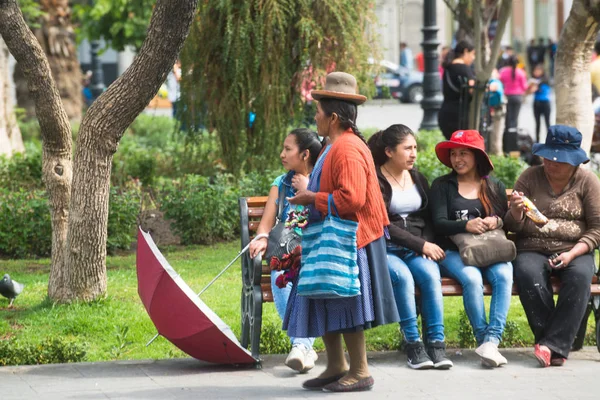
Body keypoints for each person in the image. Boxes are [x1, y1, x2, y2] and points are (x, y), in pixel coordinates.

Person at [284, 72, 399, 392]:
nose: (315, 117)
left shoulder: (347, 148)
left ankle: (360, 370)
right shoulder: (335, 144)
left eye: (318, 112)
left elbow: (352, 199)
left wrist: (311, 197)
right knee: (326, 298)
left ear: (334, 117)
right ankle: (336, 365)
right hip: (337, 236)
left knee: (344, 302)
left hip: (351, 239)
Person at [504, 125, 600, 368]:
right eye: (548, 157)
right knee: (527, 274)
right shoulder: (529, 177)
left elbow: (597, 228)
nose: (551, 163)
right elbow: (512, 227)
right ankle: (553, 346)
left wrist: (573, 253)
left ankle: (549, 346)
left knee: (579, 277)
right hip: (532, 246)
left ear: (574, 162)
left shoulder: (587, 181)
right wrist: (515, 210)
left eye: (559, 160)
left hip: (575, 248)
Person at [367, 125, 452, 370]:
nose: (413, 154)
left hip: (416, 249)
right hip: (386, 248)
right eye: (407, 148)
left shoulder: (417, 177)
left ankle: (436, 343)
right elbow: (383, 225)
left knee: (430, 275)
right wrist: (421, 244)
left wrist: (426, 244)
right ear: (389, 151)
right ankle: (413, 344)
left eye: (415, 147)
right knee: (403, 278)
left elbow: (428, 218)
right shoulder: (376, 180)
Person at [430, 130, 513, 368]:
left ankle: (491, 341)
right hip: (452, 251)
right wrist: (465, 224)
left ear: (477, 156)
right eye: (454, 154)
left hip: (489, 250)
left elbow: (503, 217)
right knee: (472, 278)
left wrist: (495, 221)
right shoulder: (442, 185)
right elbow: (438, 222)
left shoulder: (493, 185)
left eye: (464, 153)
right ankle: (483, 338)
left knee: (504, 274)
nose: (457, 159)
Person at [248, 128, 323, 373]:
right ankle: (303, 347)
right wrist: (261, 238)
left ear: (305, 154)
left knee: (305, 279)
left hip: (316, 252)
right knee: (279, 278)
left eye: (288, 149)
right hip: (287, 253)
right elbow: (267, 222)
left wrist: (309, 189)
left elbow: (329, 213)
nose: (282, 154)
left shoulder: (323, 181)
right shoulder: (280, 184)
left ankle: (301, 347)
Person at [438, 40, 476, 140]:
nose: (473, 58)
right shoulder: (464, 69)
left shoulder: (448, 67)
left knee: (452, 148)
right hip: (460, 116)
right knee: (461, 148)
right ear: (466, 51)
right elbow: (472, 89)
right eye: (473, 54)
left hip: (445, 113)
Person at [499, 55, 529, 152]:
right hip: (518, 97)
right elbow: (524, 87)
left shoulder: (503, 71)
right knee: (514, 120)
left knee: (508, 120)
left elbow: (500, 82)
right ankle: (513, 142)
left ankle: (507, 143)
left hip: (507, 97)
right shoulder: (521, 73)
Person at [530, 64, 552, 143]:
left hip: (545, 103)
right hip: (536, 103)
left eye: (538, 70)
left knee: (547, 122)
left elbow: (533, 90)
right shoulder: (534, 80)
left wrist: (533, 86)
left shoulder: (545, 80)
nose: (536, 72)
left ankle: (550, 140)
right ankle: (537, 140)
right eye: (535, 70)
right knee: (537, 123)